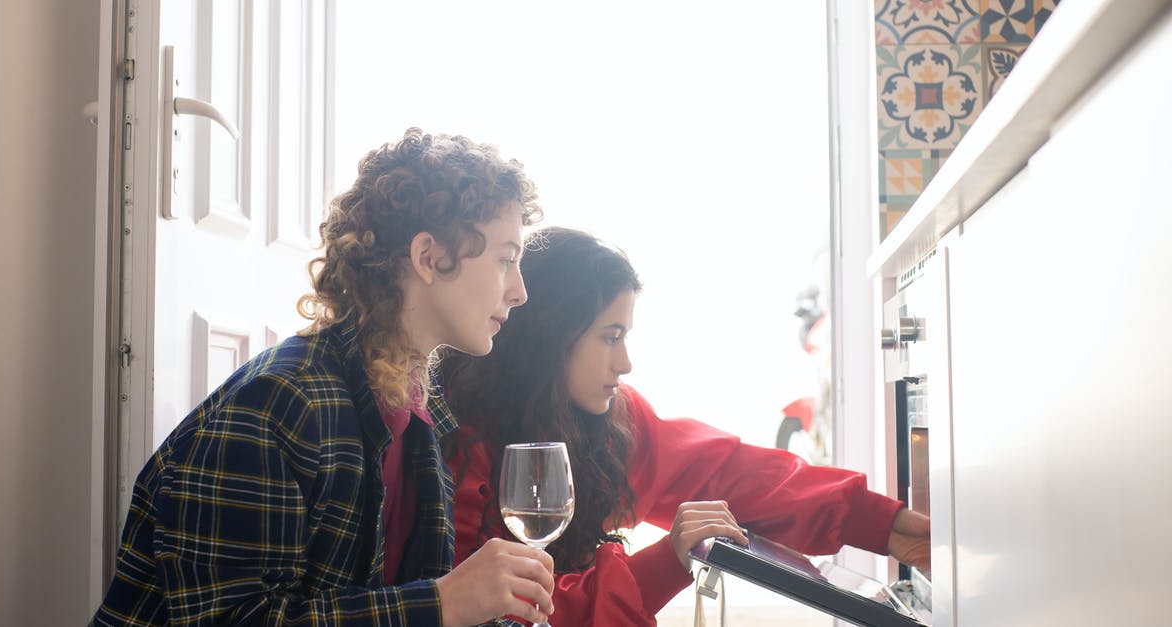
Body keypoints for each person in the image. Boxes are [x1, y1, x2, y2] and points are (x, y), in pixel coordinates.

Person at [92, 128, 557, 626]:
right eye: (506, 260)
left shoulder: (419, 412)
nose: (520, 291)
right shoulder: (279, 404)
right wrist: (443, 603)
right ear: (427, 258)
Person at [440, 227, 931, 626]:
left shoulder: (610, 426)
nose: (626, 362)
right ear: (551, 337)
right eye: (611, 338)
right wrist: (662, 564)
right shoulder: (458, 443)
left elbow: (732, 474)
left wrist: (887, 526)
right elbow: (502, 614)